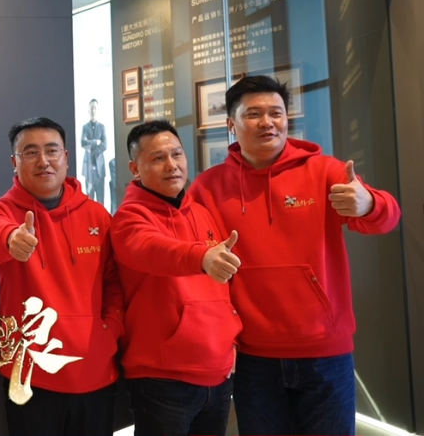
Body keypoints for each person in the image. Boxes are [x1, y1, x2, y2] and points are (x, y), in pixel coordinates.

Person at [190, 75, 402, 435]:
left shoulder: (325, 171)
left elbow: (388, 217)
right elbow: (191, 256)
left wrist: (370, 204)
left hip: (325, 352)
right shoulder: (208, 188)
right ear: (231, 124)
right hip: (252, 356)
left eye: (276, 113)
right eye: (253, 114)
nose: (267, 122)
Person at [0, 117, 123, 436]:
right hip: (29, 377)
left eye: (51, 150)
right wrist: (12, 239)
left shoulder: (97, 215)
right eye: (30, 152)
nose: (43, 161)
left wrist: (109, 330)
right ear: (14, 162)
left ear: (66, 157)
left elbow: (114, 283)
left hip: (94, 371)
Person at [110, 120, 242, 436]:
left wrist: (231, 343)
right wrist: (201, 257)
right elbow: (153, 249)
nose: (172, 165)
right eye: (158, 158)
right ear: (135, 169)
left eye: (177, 154)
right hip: (162, 379)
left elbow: (224, 290)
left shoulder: (202, 212)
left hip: (218, 374)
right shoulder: (128, 218)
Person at [81, 99, 107, 204]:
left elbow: (105, 145)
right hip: (88, 168)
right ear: (88, 110)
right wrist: (96, 142)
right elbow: (83, 142)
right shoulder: (85, 127)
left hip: (100, 169)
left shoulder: (102, 127)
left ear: (97, 110)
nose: (93, 110)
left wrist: (92, 150)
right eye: (91, 108)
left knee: (101, 199)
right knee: (89, 199)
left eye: (95, 108)